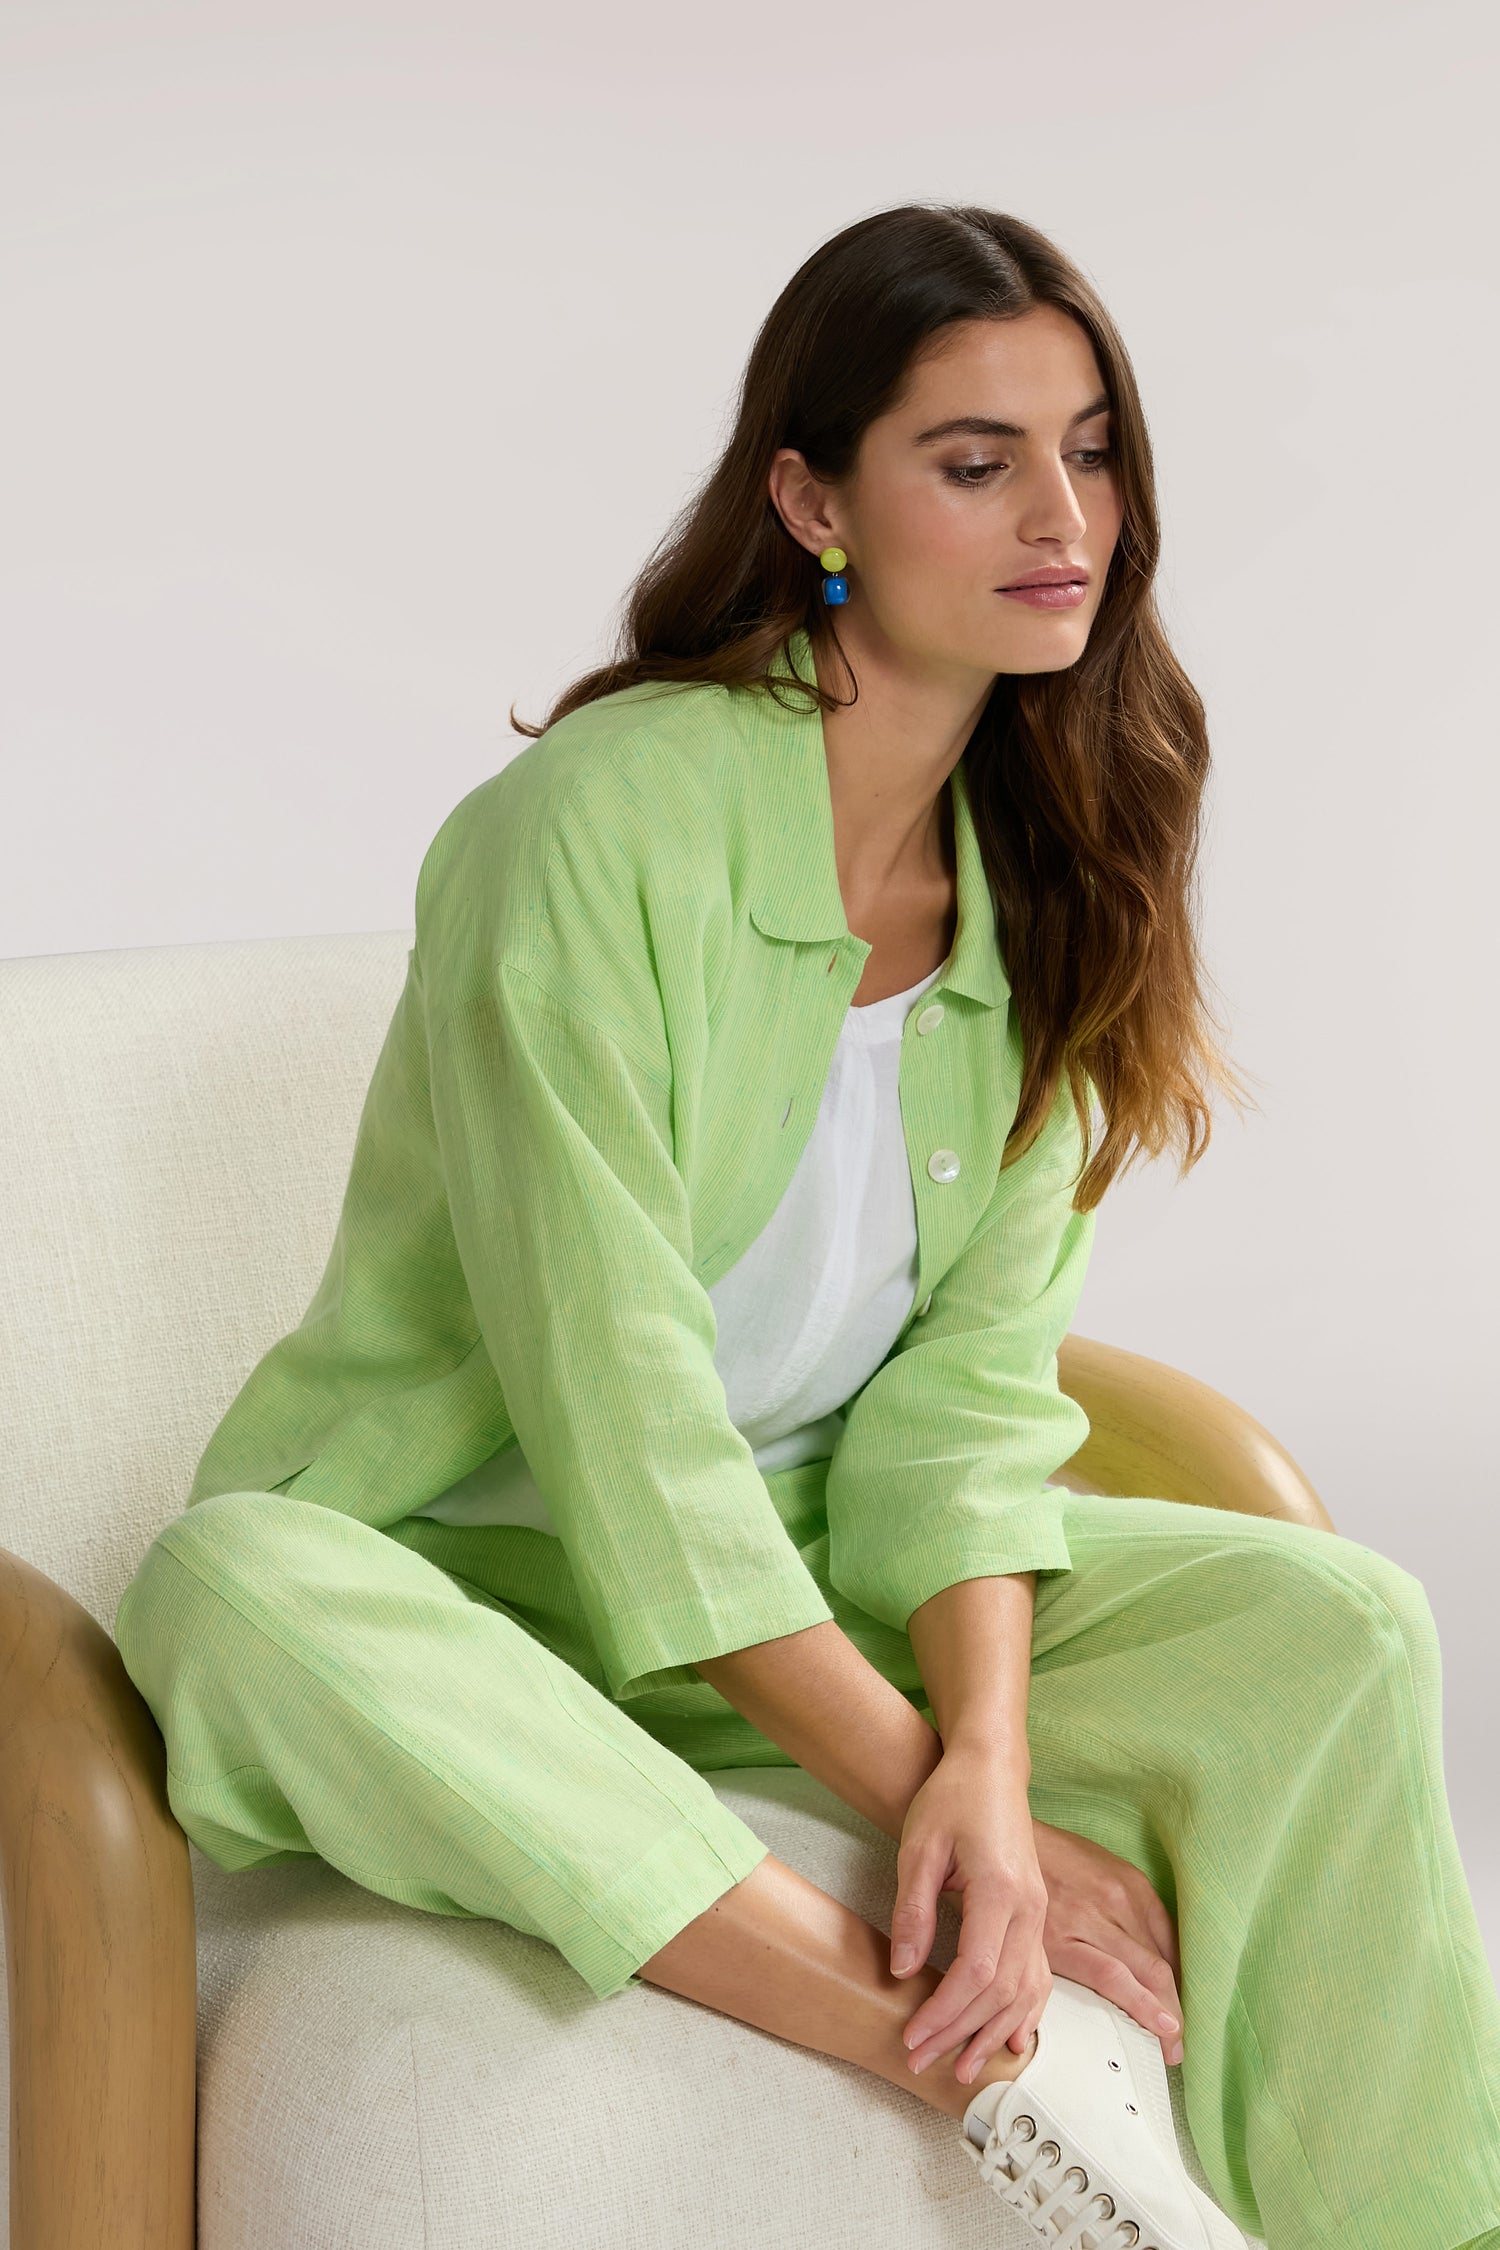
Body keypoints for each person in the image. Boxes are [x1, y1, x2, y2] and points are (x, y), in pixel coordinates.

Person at [112, 202, 1500, 2250]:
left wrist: (987, 1760)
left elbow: (964, 1407)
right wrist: (950, 1819)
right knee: (229, 1583)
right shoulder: (585, 835)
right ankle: (960, 2050)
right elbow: (623, 1418)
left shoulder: (1045, 877)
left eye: (1093, 446)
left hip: (814, 1584)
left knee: (1341, 1624)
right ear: (808, 495)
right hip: (485, 1590)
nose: (1067, 515)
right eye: (976, 457)